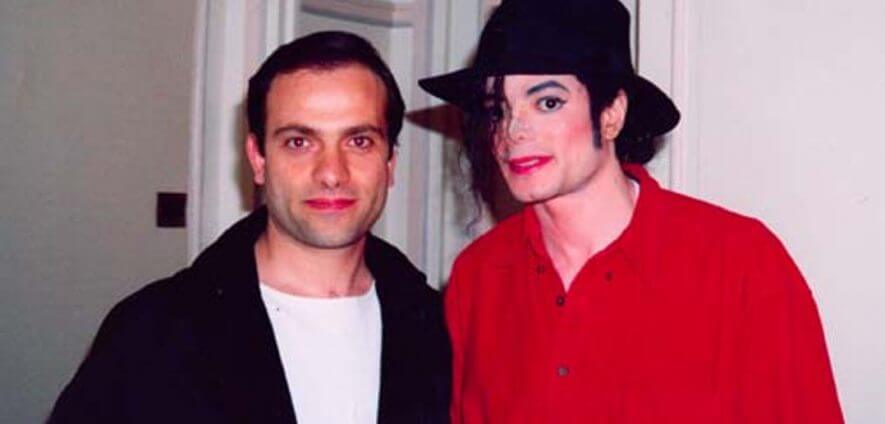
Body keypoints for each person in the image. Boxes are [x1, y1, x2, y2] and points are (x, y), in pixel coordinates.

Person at [419, 0, 842, 422]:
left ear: (611, 114)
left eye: (547, 102)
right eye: (497, 110)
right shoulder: (477, 279)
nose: (514, 130)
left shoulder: (741, 264)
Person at [51, 31, 450, 423]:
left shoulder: (440, 326)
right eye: (299, 142)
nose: (331, 173)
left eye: (359, 141)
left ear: (390, 163)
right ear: (258, 159)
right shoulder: (152, 332)